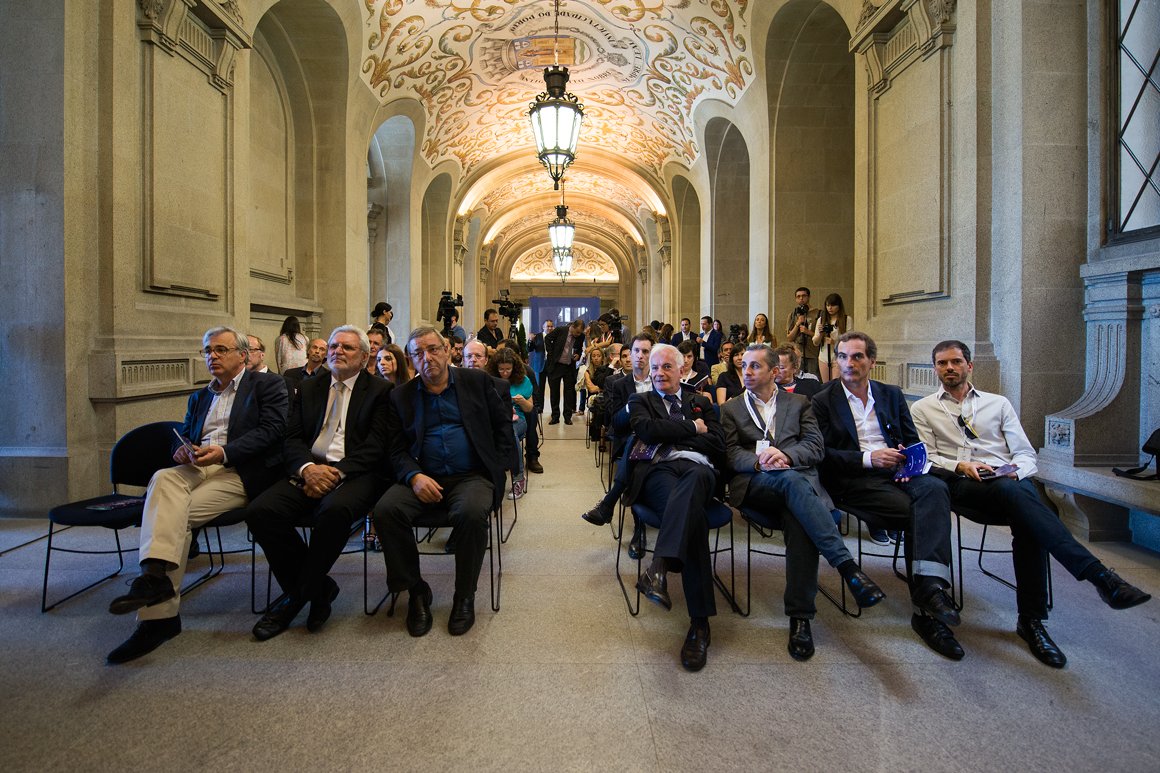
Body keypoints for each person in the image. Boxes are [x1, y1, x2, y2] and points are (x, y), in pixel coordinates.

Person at [911, 340, 1151, 667]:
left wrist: (1014, 471)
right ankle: (1089, 584)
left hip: (1004, 480)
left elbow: (1025, 453)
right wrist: (961, 465)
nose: (949, 368)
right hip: (961, 486)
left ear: (970, 365)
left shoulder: (998, 404)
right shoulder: (923, 408)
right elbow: (926, 456)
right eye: (942, 363)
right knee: (1028, 507)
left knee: (1023, 509)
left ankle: (1033, 620)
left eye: (955, 361)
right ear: (935, 369)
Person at [105, 327, 288, 664]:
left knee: (173, 516)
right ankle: (154, 578)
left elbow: (273, 431)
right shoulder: (199, 397)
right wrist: (180, 449)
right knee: (163, 477)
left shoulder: (267, 385)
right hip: (198, 465)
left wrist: (224, 452)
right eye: (207, 350)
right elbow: (185, 435)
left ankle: (158, 619)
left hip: (240, 470)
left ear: (242, 355)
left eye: (220, 350)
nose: (212, 356)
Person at [721, 344, 885, 660]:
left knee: (799, 519)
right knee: (793, 483)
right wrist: (759, 461)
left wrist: (786, 455)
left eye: (755, 366)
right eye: (745, 366)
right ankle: (847, 567)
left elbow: (815, 446)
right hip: (758, 483)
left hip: (796, 484)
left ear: (774, 371)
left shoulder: (799, 403)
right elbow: (730, 454)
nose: (747, 371)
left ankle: (800, 618)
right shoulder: (731, 409)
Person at [811, 332, 963, 660]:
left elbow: (911, 439)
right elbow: (822, 454)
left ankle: (929, 591)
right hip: (855, 478)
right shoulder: (822, 400)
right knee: (918, 514)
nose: (849, 363)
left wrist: (908, 461)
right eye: (842, 357)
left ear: (871, 361)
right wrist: (870, 458)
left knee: (936, 489)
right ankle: (928, 609)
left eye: (857, 357)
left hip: (898, 472)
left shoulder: (890, 394)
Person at [246, 326, 394, 640]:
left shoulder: (380, 391)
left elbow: (376, 446)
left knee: (333, 511)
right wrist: (307, 469)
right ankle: (319, 588)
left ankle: (295, 599)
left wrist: (337, 473)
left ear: (364, 357)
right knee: (260, 511)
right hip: (309, 468)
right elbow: (292, 437)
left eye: (347, 348)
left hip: (357, 473)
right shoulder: (309, 387)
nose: (337, 351)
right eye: (334, 346)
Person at [372, 327, 513, 637]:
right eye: (418, 353)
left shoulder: (476, 382)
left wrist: (499, 468)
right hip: (424, 475)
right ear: (410, 359)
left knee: (471, 513)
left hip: (472, 475)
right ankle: (416, 591)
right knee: (385, 511)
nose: (427, 358)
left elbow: (503, 427)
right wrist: (413, 476)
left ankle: (464, 595)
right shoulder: (401, 396)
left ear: (448, 351)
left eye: (433, 349)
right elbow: (394, 450)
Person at [624, 344, 727, 672]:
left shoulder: (701, 402)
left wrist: (672, 437)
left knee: (693, 484)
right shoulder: (640, 400)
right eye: (654, 367)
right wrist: (693, 430)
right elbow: (647, 431)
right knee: (692, 517)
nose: (658, 373)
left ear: (682, 371)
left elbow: (718, 443)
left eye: (666, 367)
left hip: (700, 470)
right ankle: (700, 624)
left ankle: (658, 568)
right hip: (659, 472)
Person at [579, 333, 656, 530]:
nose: (638, 356)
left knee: (639, 459)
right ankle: (639, 528)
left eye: (645, 351)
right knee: (638, 460)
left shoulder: (660, 380)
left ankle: (608, 504)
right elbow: (616, 422)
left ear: (653, 354)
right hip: (628, 438)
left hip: (659, 437)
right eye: (635, 351)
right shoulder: (618, 384)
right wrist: (632, 405)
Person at [488, 348, 535, 498]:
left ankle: (518, 478)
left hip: (518, 419)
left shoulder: (523, 380)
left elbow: (529, 409)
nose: (504, 373)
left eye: (508, 369)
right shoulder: (489, 379)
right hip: (495, 420)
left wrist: (521, 401)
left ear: (514, 367)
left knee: (510, 432)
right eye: (501, 369)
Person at [544, 318, 585, 425]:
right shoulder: (561, 330)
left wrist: (578, 354)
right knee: (554, 392)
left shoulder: (581, 336)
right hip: (556, 365)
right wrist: (551, 354)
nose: (578, 334)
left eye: (580, 333)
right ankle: (555, 417)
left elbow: (579, 348)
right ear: (573, 327)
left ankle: (567, 417)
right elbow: (547, 338)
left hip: (569, 367)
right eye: (577, 332)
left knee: (569, 393)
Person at [813, 293, 851, 383]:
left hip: (839, 356)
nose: (830, 308)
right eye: (828, 305)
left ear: (839, 306)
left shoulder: (846, 319)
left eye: (833, 305)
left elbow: (849, 341)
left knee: (835, 384)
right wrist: (821, 334)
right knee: (826, 385)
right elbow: (815, 342)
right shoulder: (821, 320)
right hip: (824, 356)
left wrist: (835, 342)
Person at [784, 288, 821, 378]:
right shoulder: (792, 315)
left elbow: (821, 337)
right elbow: (789, 338)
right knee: (797, 379)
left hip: (813, 353)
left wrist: (807, 332)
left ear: (809, 297)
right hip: (797, 353)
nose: (801, 298)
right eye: (798, 296)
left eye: (804, 296)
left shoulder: (818, 313)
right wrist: (798, 323)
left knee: (813, 379)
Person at [528, 319, 553, 410]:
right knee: (539, 389)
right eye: (548, 326)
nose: (550, 328)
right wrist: (530, 340)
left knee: (553, 389)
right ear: (543, 327)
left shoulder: (555, 336)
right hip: (539, 365)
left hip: (551, 365)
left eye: (551, 326)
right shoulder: (537, 336)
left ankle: (554, 411)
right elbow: (529, 349)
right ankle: (539, 408)